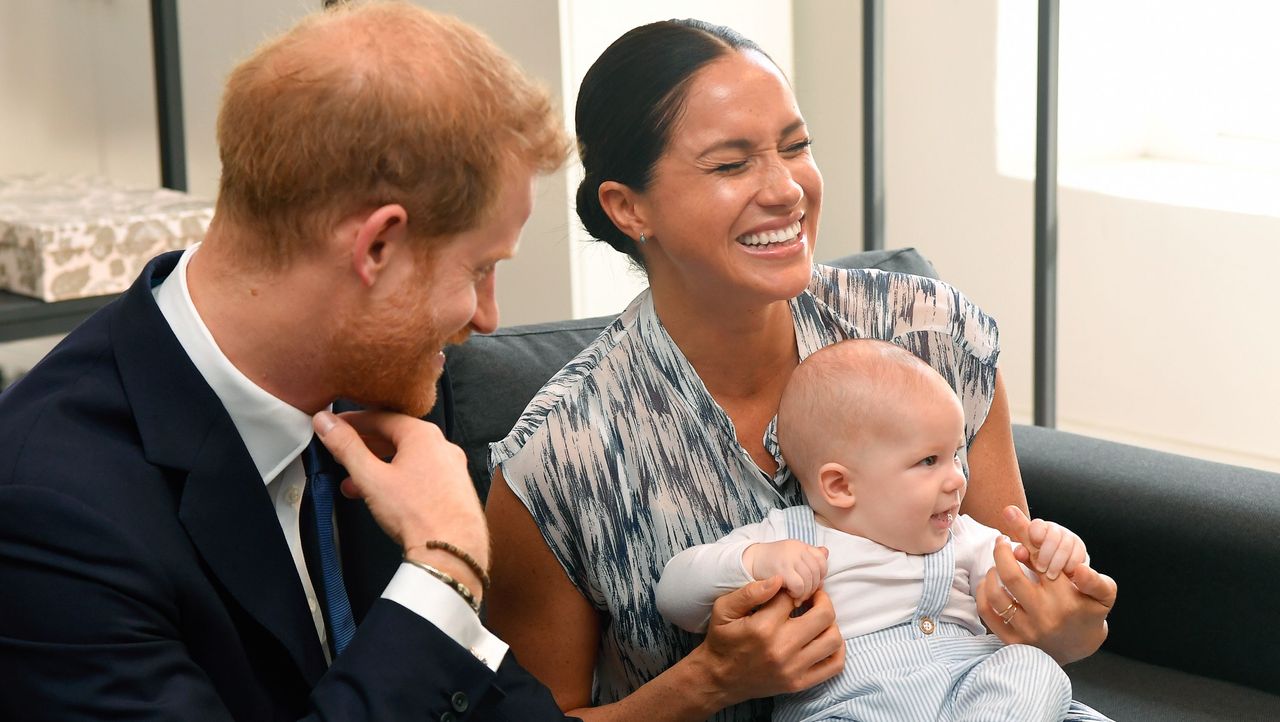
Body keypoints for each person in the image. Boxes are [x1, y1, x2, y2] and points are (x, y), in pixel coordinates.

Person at [483, 18, 1118, 722]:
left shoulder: (931, 336)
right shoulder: (559, 460)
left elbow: (1011, 602)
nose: (786, 189)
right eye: (731, 164)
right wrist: (711, 680)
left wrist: (1065, 628)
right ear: (628, 207)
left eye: (796, 147)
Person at [0, 2, 576, 720]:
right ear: (376, 247)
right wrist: (444, 570)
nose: (488, 317)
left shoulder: (387, 383)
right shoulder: (49, 509)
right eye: (480, 268)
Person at [656, 338, 1099, 722]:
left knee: (1033, 668)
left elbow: (1029, 593)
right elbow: (675, 593)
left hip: (976, 696)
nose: (958, 478)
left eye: (957, 455)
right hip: (849, 705)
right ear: (840, 486)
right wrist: (753, 563)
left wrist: (1056, 554)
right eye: (929, 461)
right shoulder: (788, 539)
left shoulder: (965, 538)